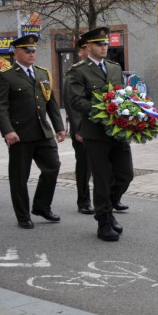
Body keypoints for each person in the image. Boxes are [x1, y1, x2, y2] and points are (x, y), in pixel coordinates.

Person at [64, 27, 133, 241]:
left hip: (117, 130)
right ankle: (103, 221)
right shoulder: (78, 71)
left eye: (105, 44)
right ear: (88, 47)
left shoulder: (114, 67)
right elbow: (76, 100)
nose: (104, 47)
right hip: (95, 132)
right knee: (102, 178)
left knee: (125, 174)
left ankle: (108, 208)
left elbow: (122, 94)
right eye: (99, 44)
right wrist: (102, 110)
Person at [0, 35, 66, 229]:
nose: (31, 54)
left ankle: (41, 206)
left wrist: (59, 127)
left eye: (33, 51)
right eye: (27, 50)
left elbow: (51, 102)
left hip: (43, 132)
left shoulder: (42, 73)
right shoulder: (6, 75)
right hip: (20, 135)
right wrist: (7, 131)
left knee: (53, 167)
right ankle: (23, 215)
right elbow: (0, 106)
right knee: (19, 177)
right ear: (16, 52)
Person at [63, 44, 95, 215]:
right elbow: (71, 103)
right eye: (86, 48)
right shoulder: (75, 72)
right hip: (82, 127)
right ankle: (84, 200)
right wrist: (78, 128)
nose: (91, 51)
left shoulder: (104, 69)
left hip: (101, 127)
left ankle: (113, 198)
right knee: (84, 164)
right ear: (81, 52)